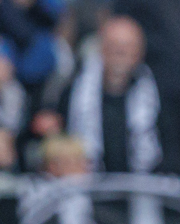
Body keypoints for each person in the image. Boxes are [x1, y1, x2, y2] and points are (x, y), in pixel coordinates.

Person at [55, 14, 159, 173]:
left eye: (128, 46)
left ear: (140, 52)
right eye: (114, 45)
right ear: (101, 48)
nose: (120, 52)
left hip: (143, 181)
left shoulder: (158, 94)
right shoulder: (72, 90)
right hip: (88, 182)